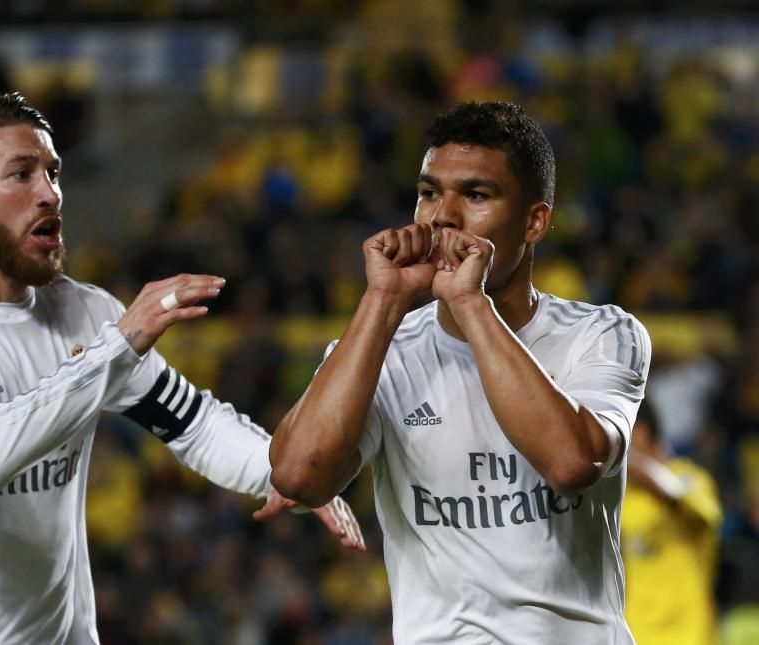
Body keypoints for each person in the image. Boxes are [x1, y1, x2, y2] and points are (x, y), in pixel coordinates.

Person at [0, 92, 363, 644]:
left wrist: (279, 471)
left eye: (53, 172)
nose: (48, 194)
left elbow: (192, 422)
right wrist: (117, 348)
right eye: (20, 175)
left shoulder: (86, 314)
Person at [269, 101, 651, 643]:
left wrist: (470, 304)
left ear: (535, 222)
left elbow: (572, 461)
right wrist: (382, 300)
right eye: (429, 194)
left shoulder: (602, 334)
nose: (442, 217)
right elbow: (298, 477)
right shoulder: (381, 349)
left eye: (476, 195)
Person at [621, 398, 722, 645]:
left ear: (641, 432)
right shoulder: (620, 499)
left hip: (689, 634)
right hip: (635, 634)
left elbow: (704, 516)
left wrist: (625, 457)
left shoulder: (689, 477)